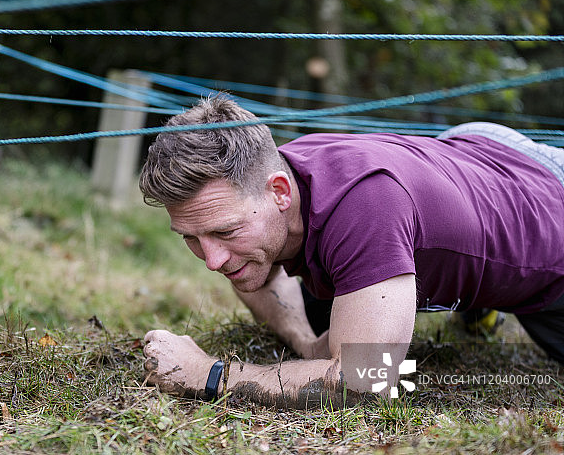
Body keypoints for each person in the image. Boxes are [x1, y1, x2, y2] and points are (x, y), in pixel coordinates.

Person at [138, 94, 564, 408]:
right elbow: (253, 271)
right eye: (191, 238)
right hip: (467, 155)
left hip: (545, 201)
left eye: (226, 231)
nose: (212, 260)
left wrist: (208, 375)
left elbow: (367, 380)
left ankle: (478, 295)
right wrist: (305, 344)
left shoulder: (365, 208)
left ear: (279, 193)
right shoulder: (268, 179)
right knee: (314, 298)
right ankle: (459, 280)